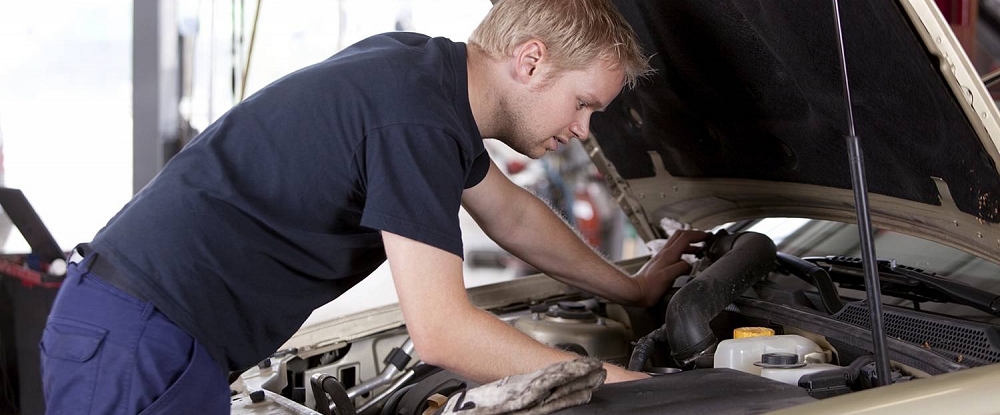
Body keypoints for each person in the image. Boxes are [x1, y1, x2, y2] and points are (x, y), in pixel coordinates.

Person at [40, 0, 708, 413]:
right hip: (140, 344)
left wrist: (634, 285)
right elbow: (442, 332)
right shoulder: (419, 121)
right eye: (586, 103)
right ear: (531, 61)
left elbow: (512, 215)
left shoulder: (421, 73)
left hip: (140, 330)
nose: (587, 130)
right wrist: (624, 382)